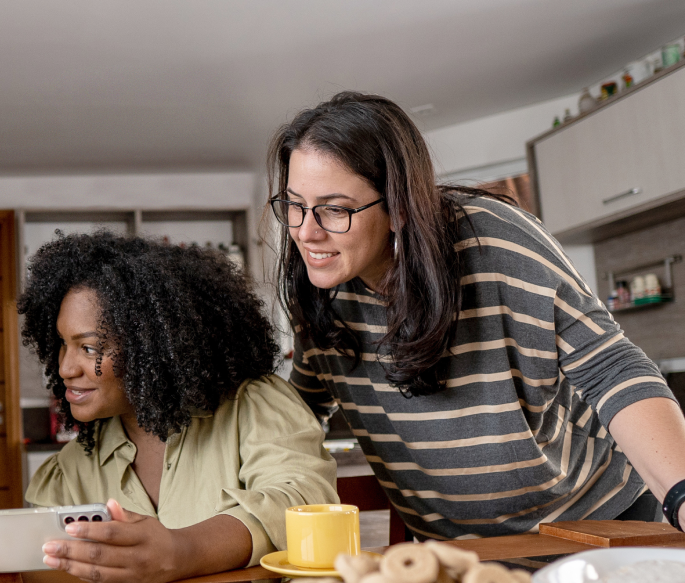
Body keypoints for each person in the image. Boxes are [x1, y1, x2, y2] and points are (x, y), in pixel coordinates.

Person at [270, 91, 685, 540]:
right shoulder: (320, 292)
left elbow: (612, 369)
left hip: (590, 522)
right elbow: (300, 415)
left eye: (334, 209)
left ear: (399, 206)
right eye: (294, 204)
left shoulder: (496, 241)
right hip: (453, 553)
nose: (306, 232)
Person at [0, 232, 338, 583]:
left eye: (90, 347)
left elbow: (303, 504)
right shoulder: (71, 469)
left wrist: (179, 551)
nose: (66, 367)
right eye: (62, 344)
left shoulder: (253, 408)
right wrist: (4, 570)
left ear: (155, 347)